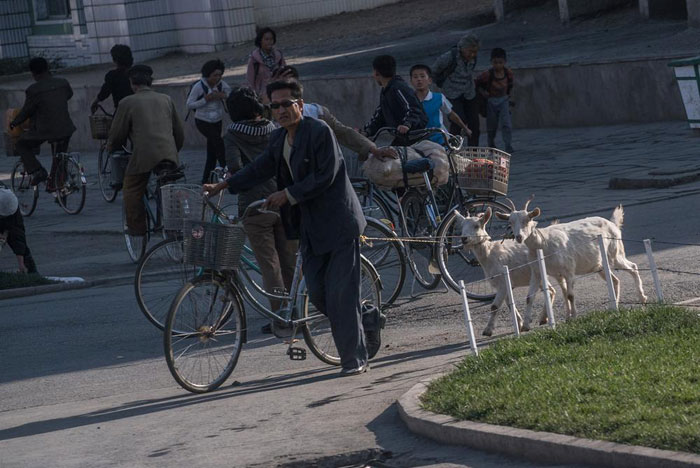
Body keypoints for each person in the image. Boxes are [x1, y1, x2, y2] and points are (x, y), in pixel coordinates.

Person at [204, 79, 375, 376]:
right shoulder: (279, 138)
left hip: (338, 224)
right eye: (275, 106)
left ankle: (354, 359)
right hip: (308, 228)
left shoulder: (319, 131)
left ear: (299, 105)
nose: (280, 110)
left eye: (286, 104)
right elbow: (259, 168)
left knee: (341, 294)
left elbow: (326, 174)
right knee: (319, 295)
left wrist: (288, 194)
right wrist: (224, 184)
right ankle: (369, 318)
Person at [220, 87, 298, 331]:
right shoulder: (275, 128)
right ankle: (296, 308)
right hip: (282, 198)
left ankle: (279, 315)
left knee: (268, 264)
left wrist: (229, 179)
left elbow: (235, 166)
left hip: (254, 205)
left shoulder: (232, 134)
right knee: (288, 259)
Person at [106, 64, 184, 238]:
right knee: (170, 185)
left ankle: (136, 228)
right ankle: (177, 221)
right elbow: (179, 133)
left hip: (144, 156)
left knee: (131, 187)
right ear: (151, 82)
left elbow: (117, 134)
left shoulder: (127, 102)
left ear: (132, 83)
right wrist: (173, 151)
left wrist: (112, 147)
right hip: (169, 154)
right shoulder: (166, 99)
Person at [276, 66, 397, 162]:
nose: (281, 110)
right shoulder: (268, 117)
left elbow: (344, 133)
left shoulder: (317, 113)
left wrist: (373, 149)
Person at [9, 57, 76, 188]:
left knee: (21, 144)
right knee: (59, 157)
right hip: (67, 128)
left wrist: (14, 122)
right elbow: (69, 95)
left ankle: (38, 171)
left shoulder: (33, 90)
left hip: (45, 130)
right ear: (47, 68)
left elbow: (26, 111)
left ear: (33, 73)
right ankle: (59, 185)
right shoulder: (63, 82)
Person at [362, 55, 428, 146]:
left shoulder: (398, 88)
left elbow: (414, 108)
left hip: (414, 137)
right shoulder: (386, 91)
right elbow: (380, 115)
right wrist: (366, 131)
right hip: (402, 138)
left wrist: (407, 124)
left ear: (376, 73)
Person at [186, 59, 231, 183]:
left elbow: (230, 94)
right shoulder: (199, 86)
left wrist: (222, 95)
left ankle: (206, 179)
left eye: (219, 75)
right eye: (214, 75)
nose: (217, 78)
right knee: (218, 142)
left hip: (217, 119)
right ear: (207, 75)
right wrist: (205, 99)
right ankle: (226, 169)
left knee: (212, 151)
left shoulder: (222, 85)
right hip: (203, 120)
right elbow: (189, 104)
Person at [431, 34, 481, 146]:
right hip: (452, 92)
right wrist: (442, 83)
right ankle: (452, 149)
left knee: (474, 123)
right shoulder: (449, 57)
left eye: (475, 52)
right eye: (470, 51)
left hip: (469, 92)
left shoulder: (473, 58)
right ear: (462, 48)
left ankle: (473, 151)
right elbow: (434, 71)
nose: (472, 55)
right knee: (458, 121)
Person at [409, 64, 472, 144]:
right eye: (415, 77)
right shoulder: (409, 100)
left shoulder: (438, 98)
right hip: (418, 141)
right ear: (411, 81)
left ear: (430, 80)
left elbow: (451, 114)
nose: (419, 80)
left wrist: (465, 128)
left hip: (439, 139)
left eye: (422, 76)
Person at [476, 48, 514, 153]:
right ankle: (491, 142)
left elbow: (510, 85)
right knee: (492, 125)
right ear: (491, 62)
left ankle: (508, 144)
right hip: (491, 101)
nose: (498, 65)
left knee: (506, 123)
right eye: (495, 63)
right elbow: (477, 83)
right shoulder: (487, 75)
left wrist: (509, 96)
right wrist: (484, 93)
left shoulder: (508, 73)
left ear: (504, 62)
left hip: (504, 100)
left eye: (500, 62)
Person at [0, 188, 38, 274]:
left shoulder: (9, 200)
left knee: (17, 236)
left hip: (7, 202)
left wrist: (21, 264)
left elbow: (18, 236)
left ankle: (28, 270)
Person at [90, 44, 134, 113]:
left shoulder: (113, 76)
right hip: (140, 111)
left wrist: (95, 102)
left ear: (115, 60)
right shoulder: (137, 72)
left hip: (122, 112)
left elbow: (104, 92)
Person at [246, 27, 286, 101]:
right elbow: (250, 81)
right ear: (260, 41)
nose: (269, 42)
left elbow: (285, 75)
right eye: (266, 39)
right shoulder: (253, 60)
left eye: (271, 39)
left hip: (278, 96)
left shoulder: (279, 56)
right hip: (262, 98)